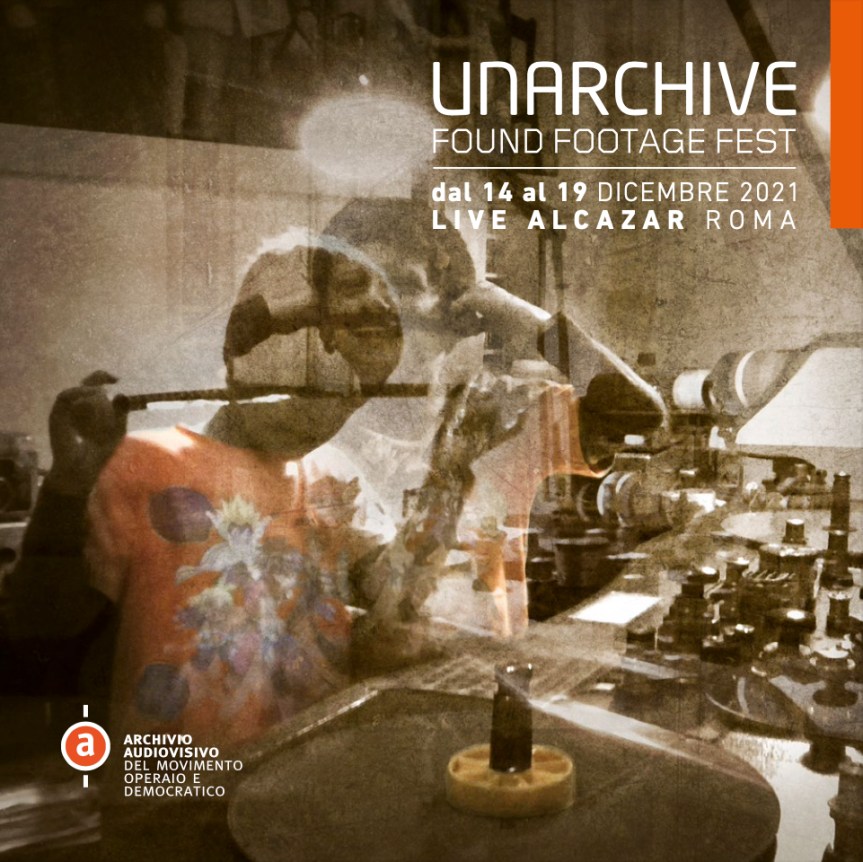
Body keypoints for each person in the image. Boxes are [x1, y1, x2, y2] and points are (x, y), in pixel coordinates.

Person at [3, 198, 663, 749]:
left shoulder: (333, 471)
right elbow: (39, 633)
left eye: (396, 297)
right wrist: (67, 488)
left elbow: (389, 619)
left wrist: (456, 453)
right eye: (346, 304)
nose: (373, 320)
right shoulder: (157, 462)